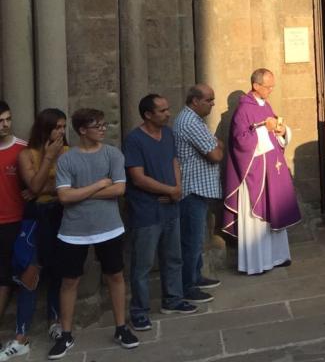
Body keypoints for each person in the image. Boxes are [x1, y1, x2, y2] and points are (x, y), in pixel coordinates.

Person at [51, 109, 138, 358]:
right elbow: (64, 197)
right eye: (96, 126)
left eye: (103, 124)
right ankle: (66, 334)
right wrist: (99, 185)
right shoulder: (67, 159)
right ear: (82, 130)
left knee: (115, 276)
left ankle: (121, 328)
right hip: (73, 231)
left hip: (109, 227)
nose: (102, 129)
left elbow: (119, 189)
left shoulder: (112, 154)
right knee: (69, 281)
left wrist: (81, 193)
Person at [124, 94, 197, 332]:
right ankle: (139, 311)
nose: (168, 114)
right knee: (143, 265)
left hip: (171, 206)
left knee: (173, 257)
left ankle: (173, 299)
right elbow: (137, 177)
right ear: (148, 114)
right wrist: (169, 190)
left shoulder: (168, 134)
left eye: (167, 109)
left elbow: (174, 161)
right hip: (146, 211)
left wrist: (177, 189)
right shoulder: (134, 139)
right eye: (162, 110)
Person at [223, 69, 302, 275]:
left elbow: (275, 130)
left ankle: (278, 256)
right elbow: (240, 142)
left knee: (275, 209)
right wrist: (263, 129)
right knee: (258, 218)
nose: (271, 90)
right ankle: (257, 263)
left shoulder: (265, 105)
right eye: (268, 86)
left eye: (273, 86)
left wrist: (282, 131)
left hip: (272, 171)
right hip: (255, 174)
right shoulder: (243, 110)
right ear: (256, 86)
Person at [4, 110, 66, 360]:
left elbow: (67, 186)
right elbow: (35, 186)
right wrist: (48, 158)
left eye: (64, 127)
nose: (61, 132)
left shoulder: (68, 153)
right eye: (57, 127)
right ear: (44, 129)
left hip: (59, 216)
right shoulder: (27, 154)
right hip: (34, 220)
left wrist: (45, 188)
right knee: (29, 273)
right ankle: (21, 337)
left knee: (56, 271)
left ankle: (55, 322)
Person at [173, 85, 224, 304]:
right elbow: (215, 154)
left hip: (200, 188)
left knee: (198, 237)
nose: (213, 103)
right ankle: (187, 286)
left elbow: (215, 146)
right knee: (191, 241)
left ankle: (195, 275)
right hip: (191, 189)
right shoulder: (190, 122)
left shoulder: (195, 119)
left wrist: (216, 145)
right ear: (195, 101)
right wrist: (218, 146)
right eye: (209, 100)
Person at [0, 102, 27, 360]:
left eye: (7, 119)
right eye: (0, 120)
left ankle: (22, 334)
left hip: (17, 223)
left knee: (18, 278)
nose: (4, 124)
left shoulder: (22, 149)